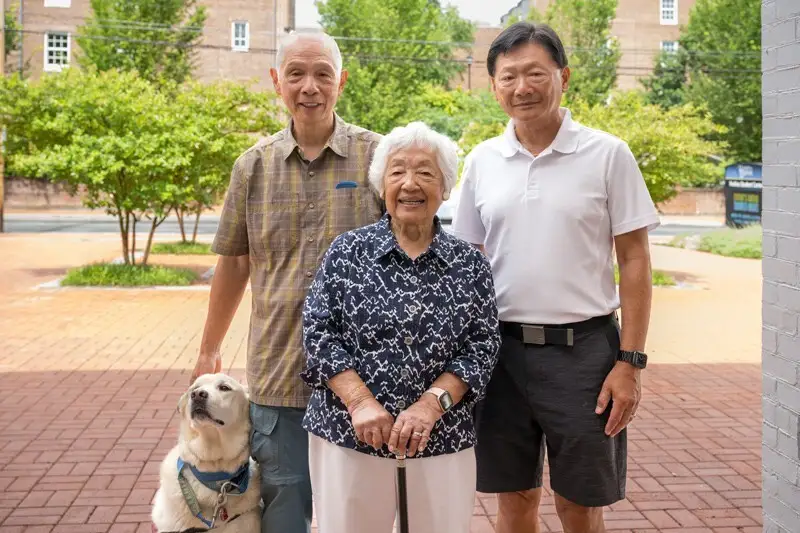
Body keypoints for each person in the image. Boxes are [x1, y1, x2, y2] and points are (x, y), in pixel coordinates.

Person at [452, 21, 661, 533]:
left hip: (585, 356)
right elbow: (467, 261)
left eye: (535, 73)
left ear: (563, 76)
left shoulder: (607, 154)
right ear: (494, 85)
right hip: (499, 355)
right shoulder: (482, 161)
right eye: (508, 77)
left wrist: (629, 363)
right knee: (514, 497)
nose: (521, 87)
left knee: (579, 503)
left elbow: (634, 260)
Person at [191, 32, 384, 533]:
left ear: (341, 81)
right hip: (279, 377)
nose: (310, 86)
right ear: (277, 82)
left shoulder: (378, 159)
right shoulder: (251, 167)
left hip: (366, 378)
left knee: (360, 511)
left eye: (323, 74)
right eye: (296, 74)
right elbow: (234, 263)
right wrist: (209, 349)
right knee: (282, 510)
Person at [299, 122, 501, 533]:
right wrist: (359, 402)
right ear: (381, 186)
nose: (410, 184)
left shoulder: (469, 264)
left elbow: (483, 345)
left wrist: (431, 405)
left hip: (442, 438)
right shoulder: (347, 252)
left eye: (425, 172)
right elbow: (319, 332)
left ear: (445, 187)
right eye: (397, 172)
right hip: (348, 434)